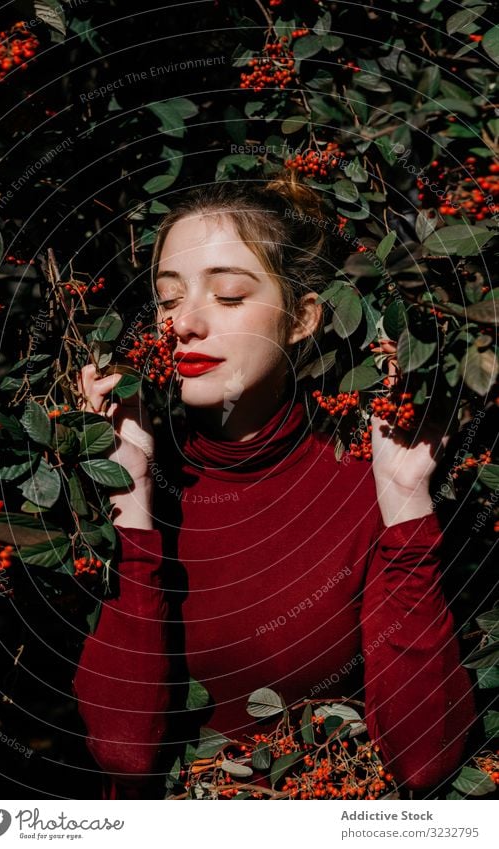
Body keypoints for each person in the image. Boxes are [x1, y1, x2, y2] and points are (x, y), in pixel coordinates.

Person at [72, 175, 476, 800]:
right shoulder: (95, 488)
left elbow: (427, 762)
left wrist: (404, 504)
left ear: (302, 319)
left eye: (230, 295)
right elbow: (125, 754)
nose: (186, 324)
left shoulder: (357, 480)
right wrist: (131, 498)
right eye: (168, 299)